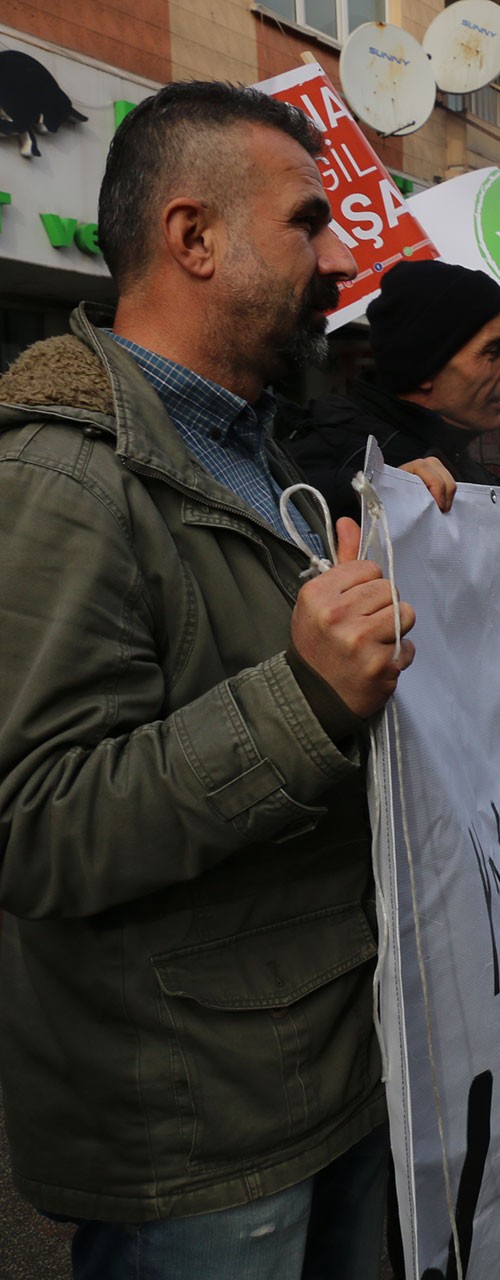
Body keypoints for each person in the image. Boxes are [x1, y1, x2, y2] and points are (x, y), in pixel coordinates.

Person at [0, 81, 414, 1277]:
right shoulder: (65, 475)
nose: (336, 257)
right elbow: (36, 822)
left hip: (325, 1078)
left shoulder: (250, 453)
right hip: (201, 1146)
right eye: (305, 222)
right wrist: (304, 697)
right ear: (194, 237)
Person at [284, 258, 500, 522]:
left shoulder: (457, 460)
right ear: (425, 366)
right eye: (492, 351)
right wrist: (369, 495)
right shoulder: (338, 461)